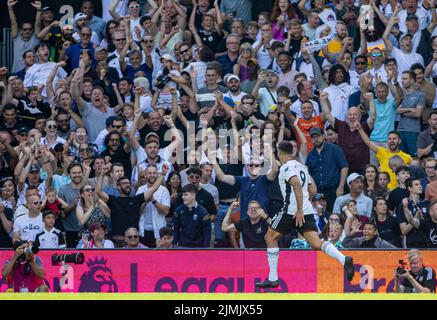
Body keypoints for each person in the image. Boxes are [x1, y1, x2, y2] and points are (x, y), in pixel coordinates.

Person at [256, 141, 354, 288]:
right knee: (316, 243)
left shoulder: (286, 167)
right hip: (307, 210)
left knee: (269, 237)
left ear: (281, 153)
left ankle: (273, 278)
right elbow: (313, 189)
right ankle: (343, 259)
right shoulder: (302, 167)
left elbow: (295, 184)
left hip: (291, 211)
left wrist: (299, 209)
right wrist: (306, 205)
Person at [96, 163, 168, 247]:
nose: (127, 185)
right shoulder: (113, 200)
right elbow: (98, 191)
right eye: (124, 183)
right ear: (118, 187)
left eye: (129, 183)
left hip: (134, 242)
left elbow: (154, 188)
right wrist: (101, 174)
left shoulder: (136, 199)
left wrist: (162, 174)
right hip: (117, 242)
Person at [306, 127, 349, 213]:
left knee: (337, 215)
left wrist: (340, 187)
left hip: (334, 190)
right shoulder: (310, 155)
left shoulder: (334, 149)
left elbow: (344, 167)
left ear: (323, 136)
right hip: (319, 192)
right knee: (322, 217)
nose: (316, 139)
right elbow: (308, 175)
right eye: (313, 137)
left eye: (318, 136)